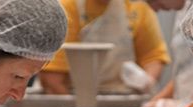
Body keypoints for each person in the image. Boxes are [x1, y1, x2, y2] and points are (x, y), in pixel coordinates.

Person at [38, 0, 171, 94]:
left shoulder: (138, 6)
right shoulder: (66, 7)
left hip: (123, 97)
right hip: (73, 96)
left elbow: (153, 57)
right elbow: (52, 79)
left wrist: (145, 82)